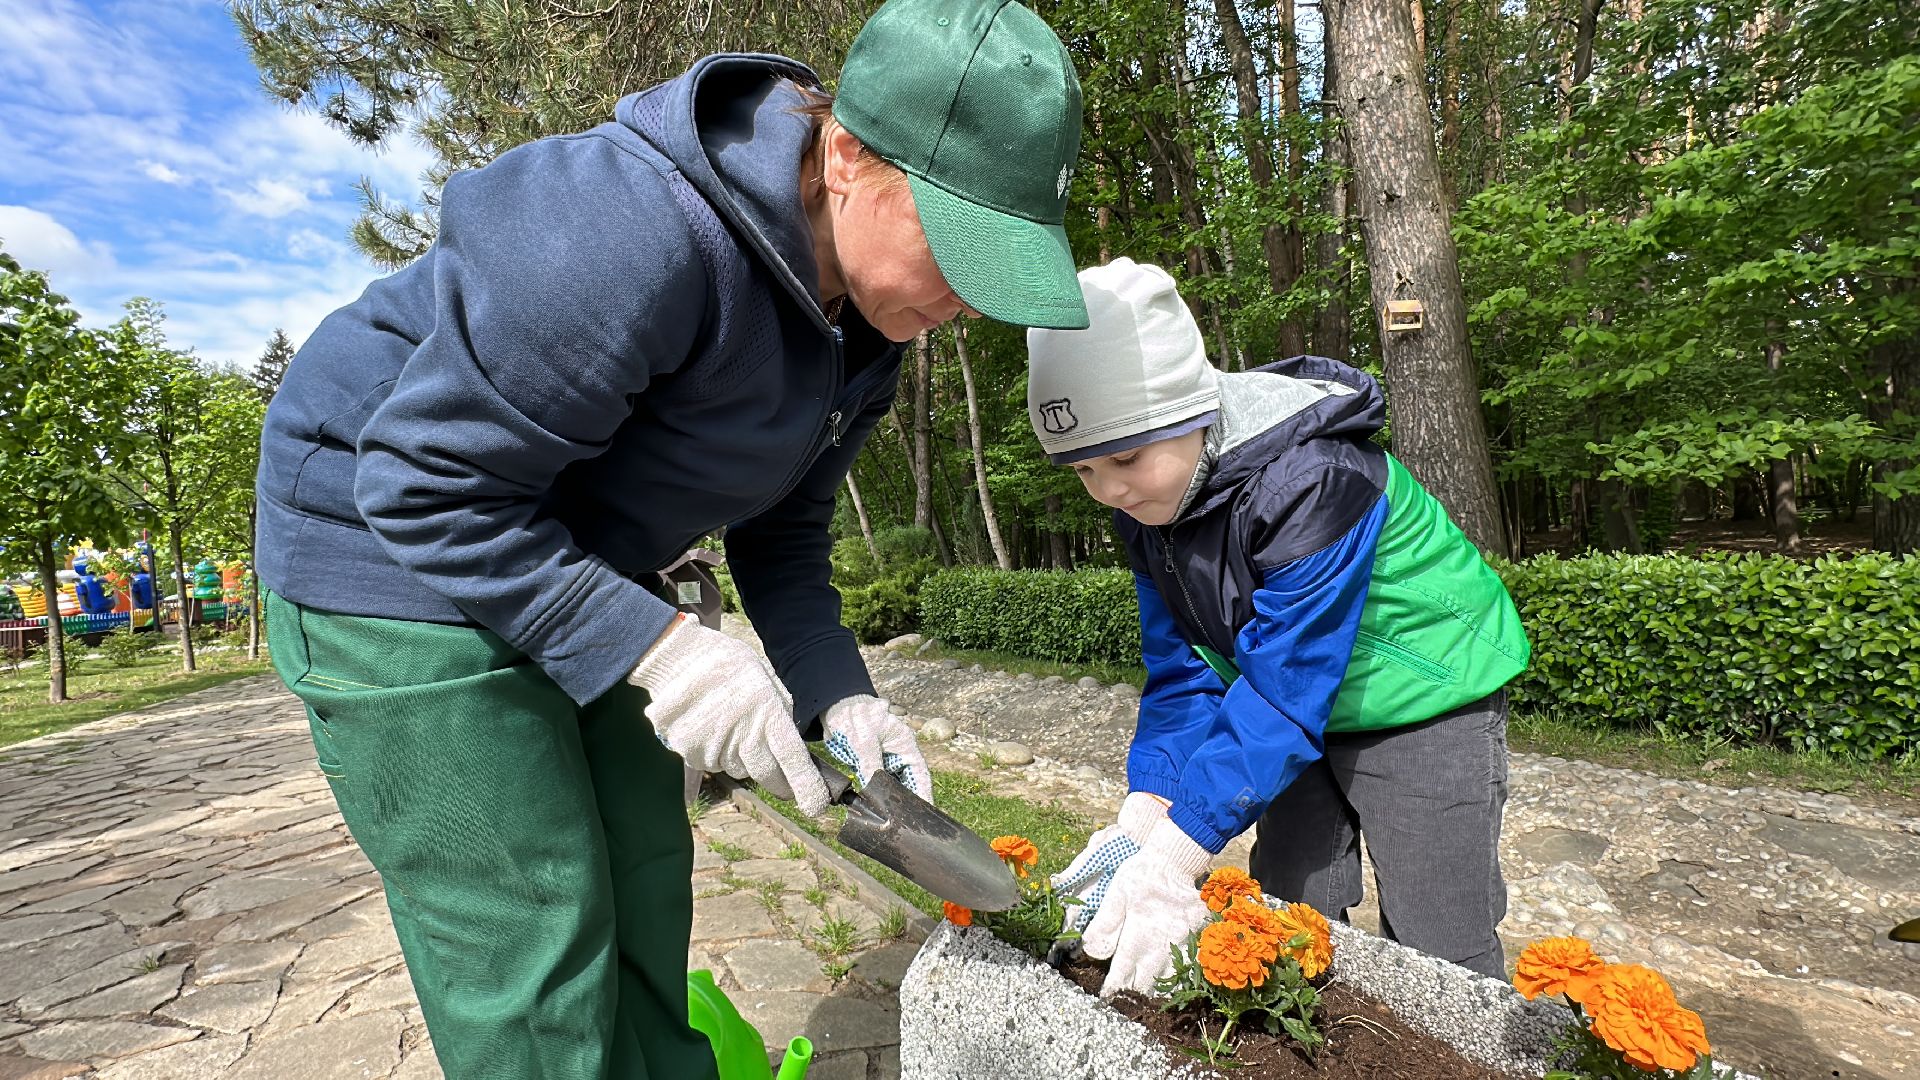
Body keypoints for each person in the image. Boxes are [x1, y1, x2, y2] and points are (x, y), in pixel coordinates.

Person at [252, 2, 1087, 1076]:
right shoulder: (632, 226)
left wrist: (838, 689)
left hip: (565, 552)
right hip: (388, 552)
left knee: (645, 880)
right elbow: (422, 483)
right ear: (844, 154)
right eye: (963, 246)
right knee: (537, 938)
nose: (974, 300)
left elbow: (782, 530)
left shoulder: (869, 331)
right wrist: (663, 655)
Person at [1032, 259, 1529, 996]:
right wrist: (1149, 809)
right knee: (1288, 905)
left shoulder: (1313, 481)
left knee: (1438, 939)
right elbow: (1186, 670)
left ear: (1192, 408)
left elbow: (1285, 684)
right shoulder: (1147, 511)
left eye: (1126, 457)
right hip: (1292, 707)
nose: (1110, 490)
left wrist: (1181, 849)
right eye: (1083, 471)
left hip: (1425, 695)